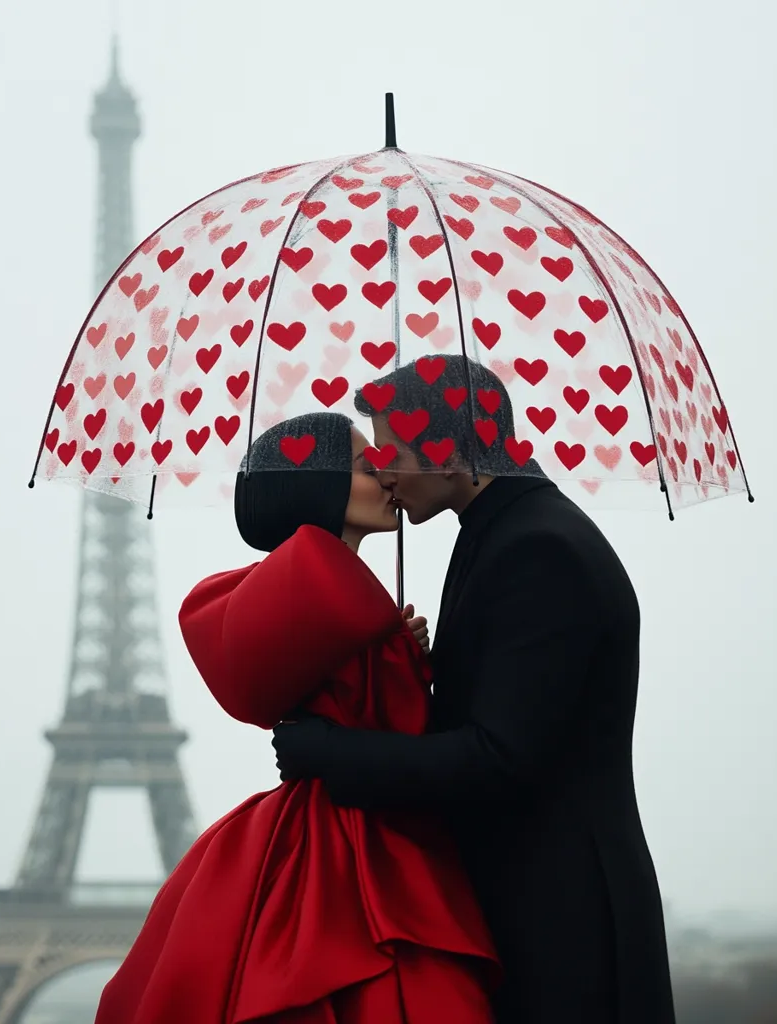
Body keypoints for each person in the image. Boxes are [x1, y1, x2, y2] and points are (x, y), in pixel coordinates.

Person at [272, 358, 677, 1024]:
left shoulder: (536, 550)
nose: (382, 472)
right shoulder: (508, 533)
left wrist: (331, 753)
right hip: (545, 907)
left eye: (391, 451)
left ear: (450, 449)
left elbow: (499, 759)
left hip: (559, 926)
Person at [93, 411, 500, 1024]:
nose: (388, 473)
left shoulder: (337, 598)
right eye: (367, 467)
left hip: (340, 834)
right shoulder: (323, 590)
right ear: (323, 486)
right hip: (359, 847)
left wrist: (395, 648)